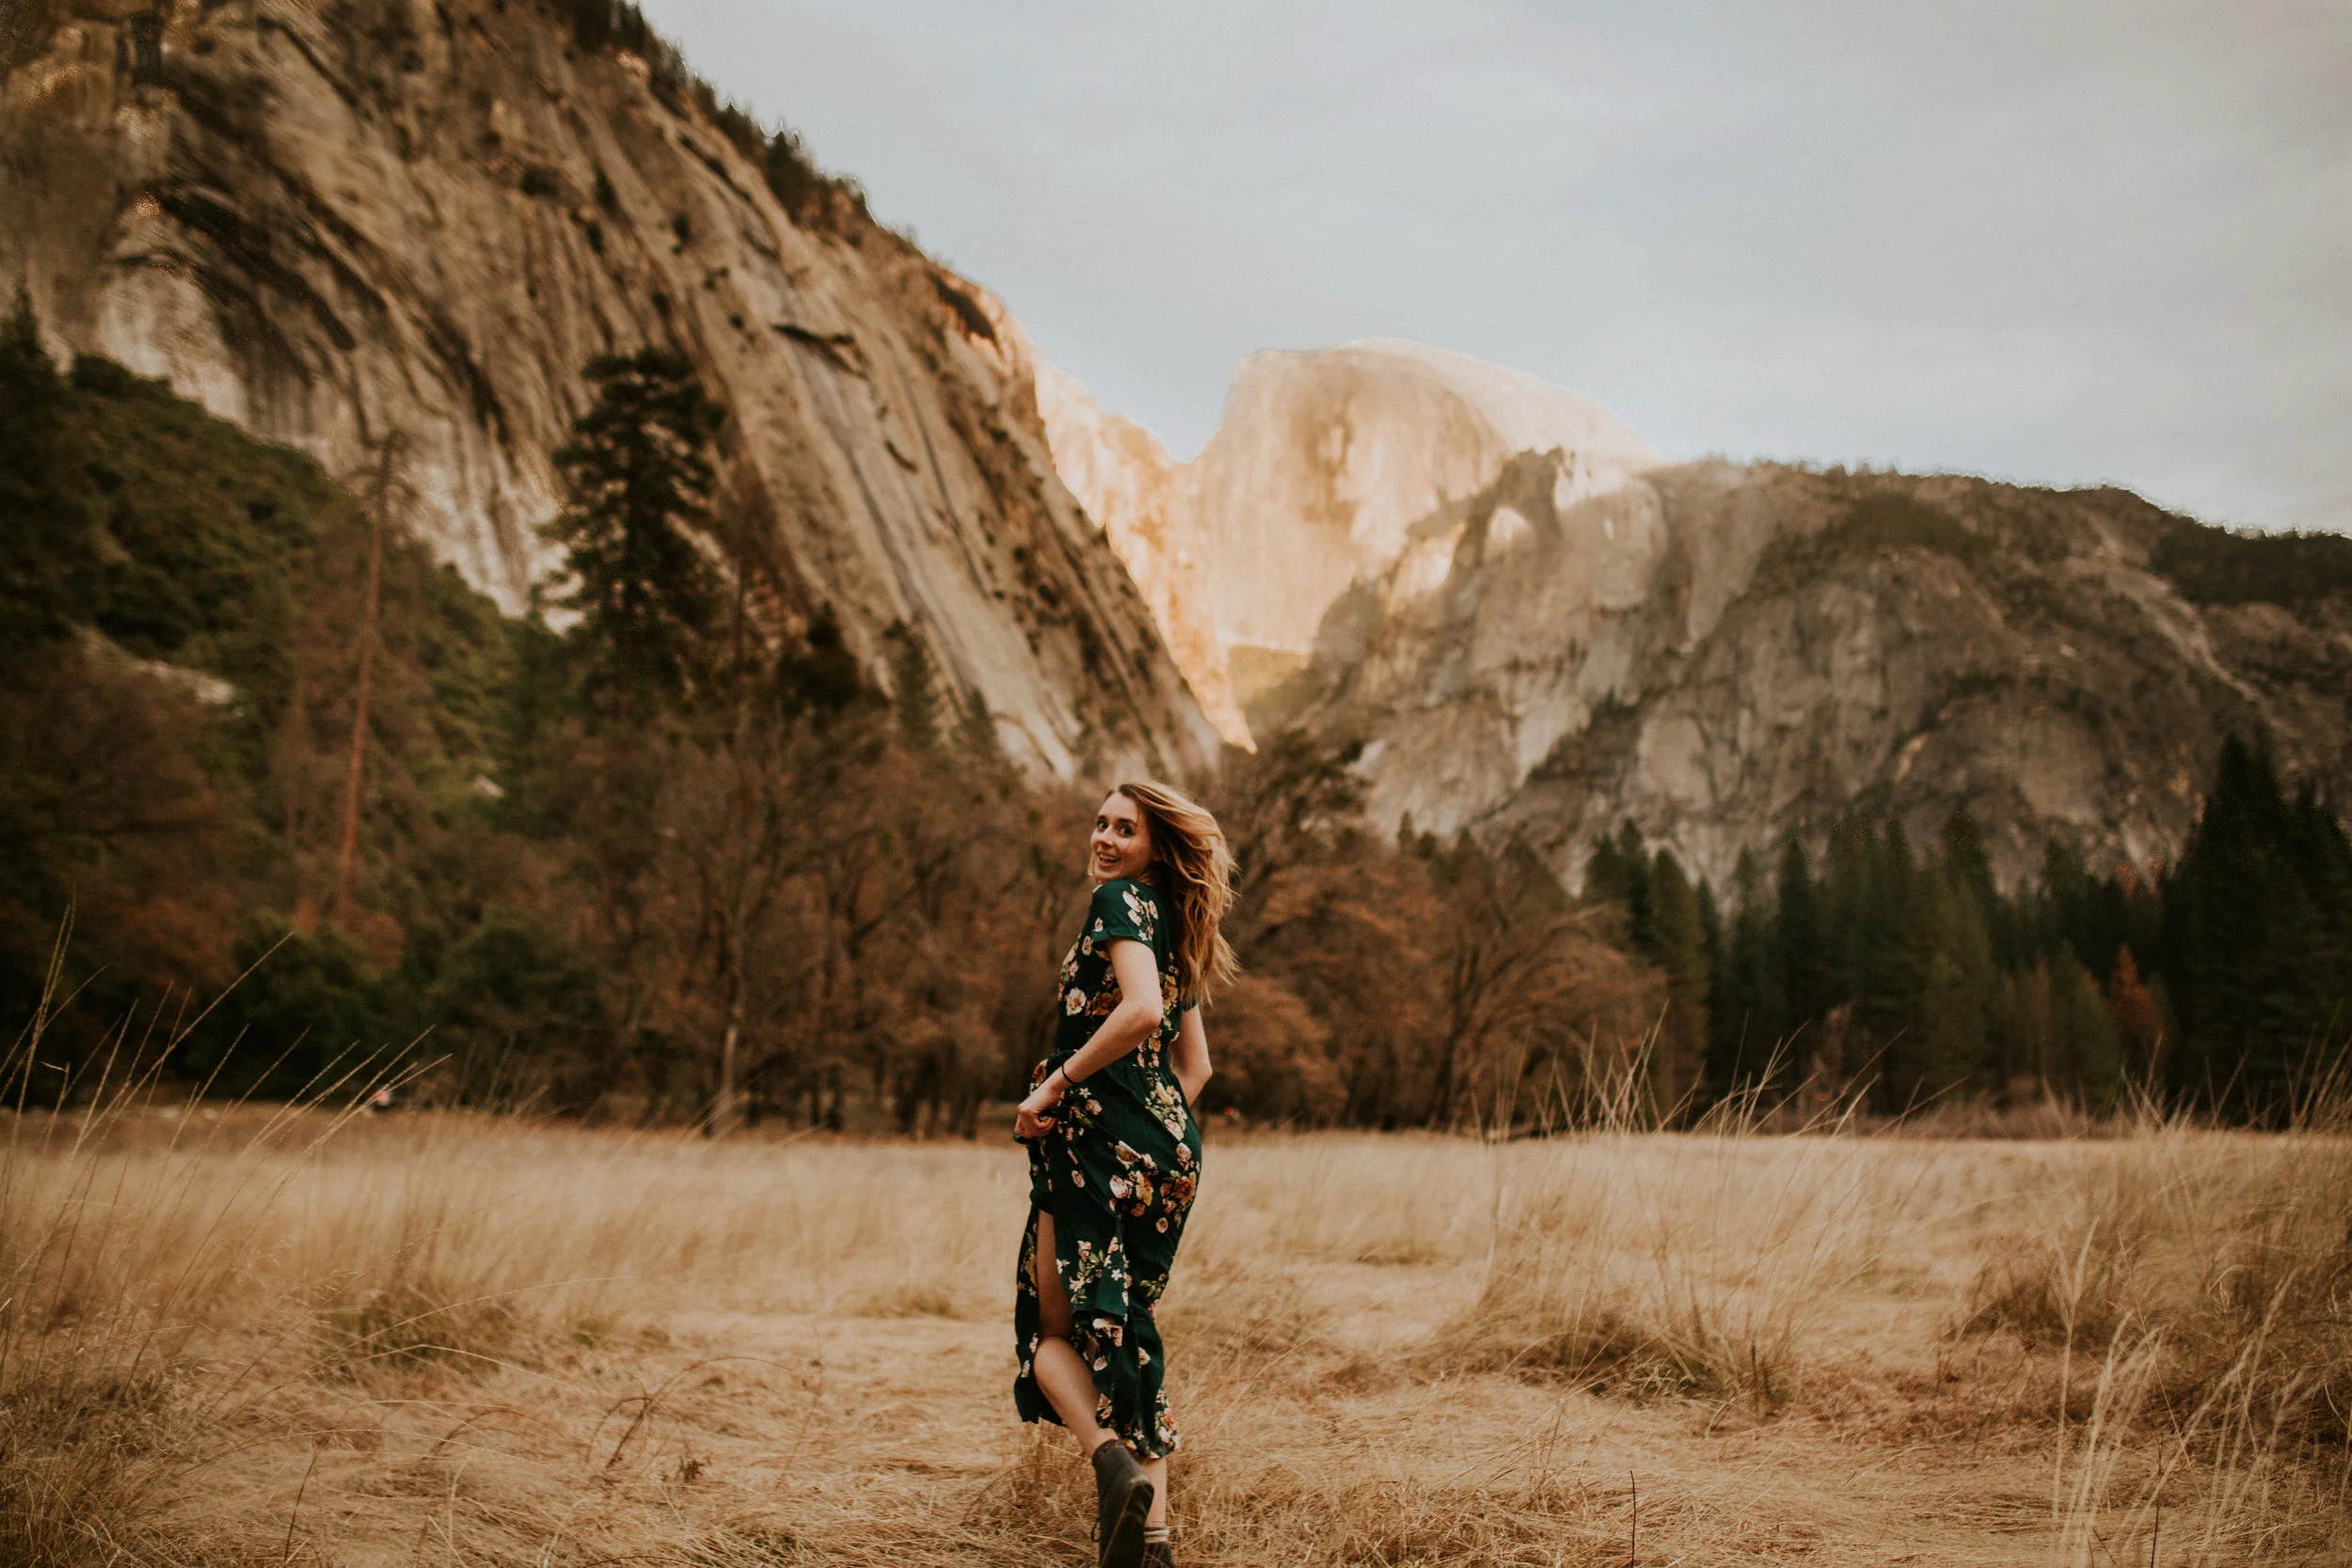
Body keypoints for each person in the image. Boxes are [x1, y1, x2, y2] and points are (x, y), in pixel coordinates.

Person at [1012, 780, 1236, 1568]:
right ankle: (1156, 1547)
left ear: (1154, 846)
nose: (1105, 838)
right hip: (1171, 1151)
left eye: (1125, 828)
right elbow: (1196, 1064)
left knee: (1049, 1337)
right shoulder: (1177, 925)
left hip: (1093, 1143)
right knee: (1130, 1331)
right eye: (1101, 823)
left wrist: (1057, 1086)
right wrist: (1154, 1120)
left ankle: (1111, 1461)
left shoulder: (1118, 904)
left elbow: (1141, 1010)